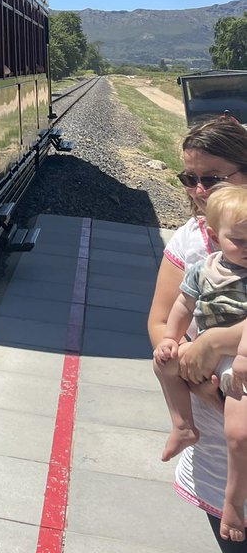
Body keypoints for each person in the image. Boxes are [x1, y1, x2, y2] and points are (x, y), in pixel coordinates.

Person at [148, 118, 247, 549]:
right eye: (190, 178)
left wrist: (212, 342)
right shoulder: (189, 242)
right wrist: (195, 379)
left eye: (213, 178)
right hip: (215, 463)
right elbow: (160, 319)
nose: (199, 190)